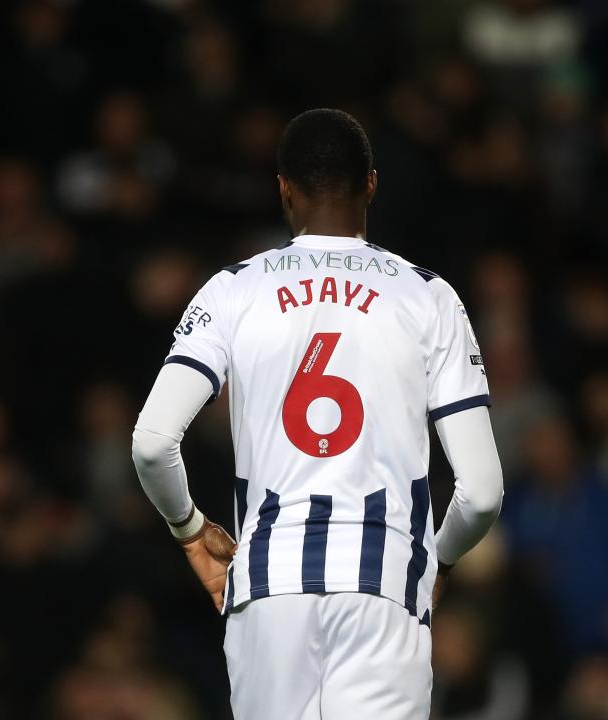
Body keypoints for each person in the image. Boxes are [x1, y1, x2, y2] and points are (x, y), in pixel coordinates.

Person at [131, 108, 504, 719]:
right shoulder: (428, 296)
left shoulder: (233, 289)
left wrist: (190, 529)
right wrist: (439, 559)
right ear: (372, 186)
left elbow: (152, 443)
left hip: (267, 582)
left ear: (283, 188)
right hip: (383, 580)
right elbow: (483, 493)